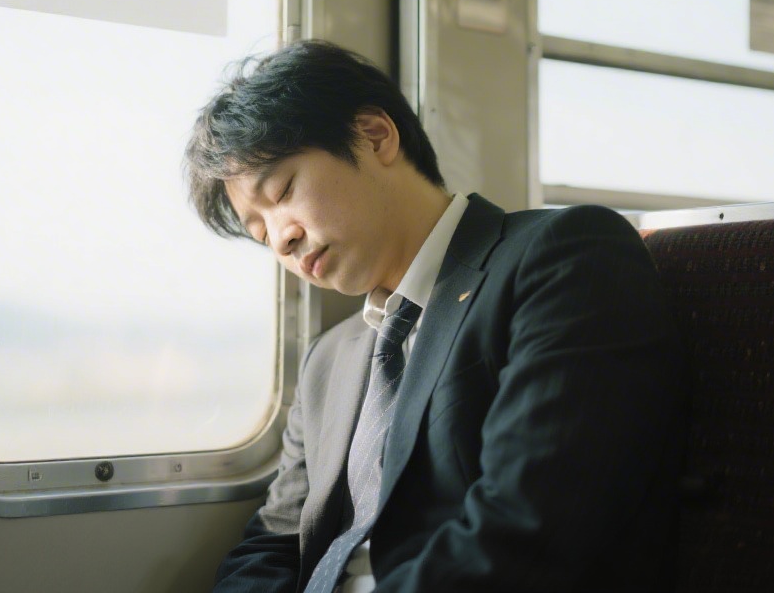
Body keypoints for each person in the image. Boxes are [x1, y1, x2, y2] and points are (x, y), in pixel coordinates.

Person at [184, 40, 688, 592]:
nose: (283, 238)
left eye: (282, 192)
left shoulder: (563, 257)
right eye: (261, 234)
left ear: (375, 136)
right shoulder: (328, 359)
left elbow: (526, 531)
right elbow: (275, 542)